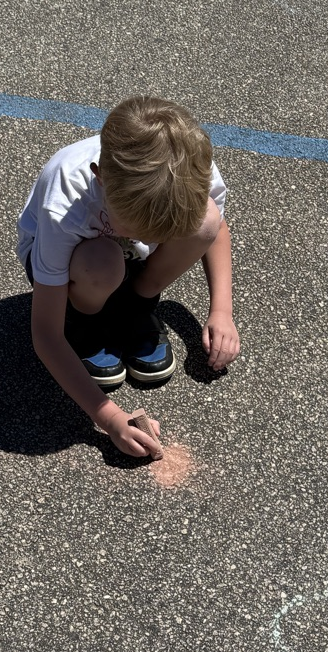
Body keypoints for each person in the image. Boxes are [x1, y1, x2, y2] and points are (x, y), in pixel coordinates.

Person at [16, 95, 240, 460]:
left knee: (205, 219)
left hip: (122, 259)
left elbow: (215, 230)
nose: (150, 238)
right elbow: (44, 333)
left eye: (158, 232)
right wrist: (110, 418)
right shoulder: (65, 201)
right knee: (101, 261)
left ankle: (137, 303)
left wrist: (221, 312)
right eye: (138, 228)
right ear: (99, 180)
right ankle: (84, 317)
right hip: (81, 262)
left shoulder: (192, 172)